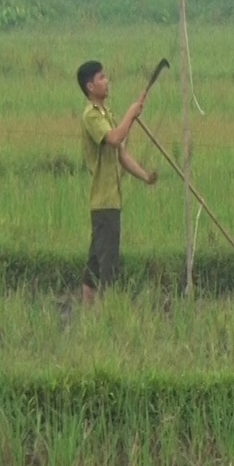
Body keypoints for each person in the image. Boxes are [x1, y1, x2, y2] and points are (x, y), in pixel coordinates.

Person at [77, 60, 157, 303]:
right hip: (104, 204)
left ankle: (89, 318)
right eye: (101, 78)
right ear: (90, 86)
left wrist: (145, 177)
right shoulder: (91, 115)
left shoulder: (106, 114)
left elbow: (121, 153)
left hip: (110, 201)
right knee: (107, 268)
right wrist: (130, 114)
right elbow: (113, 138)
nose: (107, 81)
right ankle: (105, 318)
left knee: (92, 269)